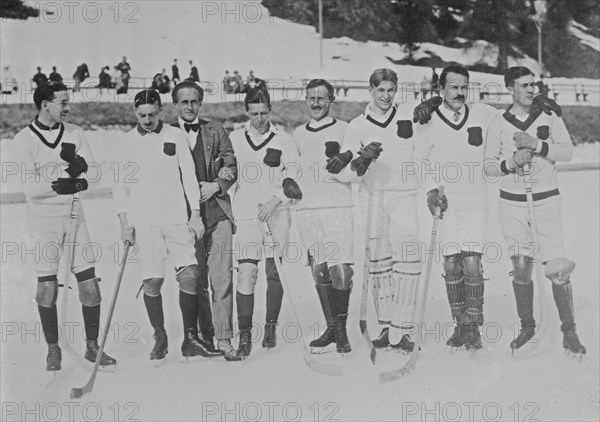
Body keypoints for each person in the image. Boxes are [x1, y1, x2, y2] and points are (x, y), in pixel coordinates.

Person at [11, 82, 116, 371]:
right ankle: (53, 348)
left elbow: (93, 170)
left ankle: (92, 347)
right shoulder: (23, 139)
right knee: (47, 289)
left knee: (91, 288)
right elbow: (29, 187)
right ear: (45, 104)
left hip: (74, 216)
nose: (67, 107)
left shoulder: (75, 133)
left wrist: (82, 180)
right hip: (43, 221)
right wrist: (61, 181)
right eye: (62, 102)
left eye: (68, 101)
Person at [113, 90, 222, 362]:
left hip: (175, 218)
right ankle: (160, 336)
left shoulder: (175, 135)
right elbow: (120, 188)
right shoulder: (126, 143)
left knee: (191, 275)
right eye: (142, 116)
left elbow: (188, 176)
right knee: (152, 281)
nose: (148, 120)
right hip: (144, 221)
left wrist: (195, 213)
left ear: (161, 111)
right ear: (135, 114)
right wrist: (124, 223)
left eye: (152, 114)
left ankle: (190, 338)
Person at [484, 66, 585, 356]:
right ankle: (527, 324)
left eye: (533, 85)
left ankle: (569, 331)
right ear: (510, 88)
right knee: (521, 265)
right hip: (512, 203)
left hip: (546, 200)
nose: (531, 90)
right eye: (524, 85)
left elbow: (566, 152)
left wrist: (537, 145)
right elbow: (489, 167)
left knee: (557, 268)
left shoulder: (549, 116)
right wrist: (511, 162)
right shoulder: (498, 123)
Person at [413, 65, 501, 351]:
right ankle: (460, 324)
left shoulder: (483, 114)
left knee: (472, 264)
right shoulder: (427, 121)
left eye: (464, 87)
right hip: (445, 203)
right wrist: (429, 192)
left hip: (475, 199)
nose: (460, 92)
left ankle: (473, 326)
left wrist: (537, 102)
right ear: (441, 90)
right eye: (453, 87)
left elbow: (511, 118)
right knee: (451, 264)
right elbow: (420, 162)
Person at [337, 68, 421, 353]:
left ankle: (404, 328)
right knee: (380, 264)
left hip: (404, 194)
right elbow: (343, 172)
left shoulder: (409, 115)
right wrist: (360, 162)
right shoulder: (357, 126)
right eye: (380, 90)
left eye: (390, 89)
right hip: (372, 196)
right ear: (370, 91)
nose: (386, 96)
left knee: (408, 259)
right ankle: (386, 326)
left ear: (396, 89)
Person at [228, 87, 301, 358]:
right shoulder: (235, 139)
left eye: (263, 112)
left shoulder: (284, 140)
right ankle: (245, 335)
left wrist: (276, 199)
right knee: (247, 273)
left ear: (270, 110)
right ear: (247, 112)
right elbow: (229, 176)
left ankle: (270, 327)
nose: (259, 118)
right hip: (247, 214)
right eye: (253, 113)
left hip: (277, 213)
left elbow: (294, 178)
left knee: (274, 272)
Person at [171, 81, 241, 361]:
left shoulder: (215, 130)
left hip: (218, 213)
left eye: (194, 101)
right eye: (184, 101)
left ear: (200, 103)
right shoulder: (168, 134)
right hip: (185, 218)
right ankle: (203, 336)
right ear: (175, 103)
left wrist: (216, 185)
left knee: (222, 277)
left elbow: (231, 164)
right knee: (194, 278)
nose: (189, 107)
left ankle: (224, 338)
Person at [292, 79, 353, 353]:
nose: (316, 103)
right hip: (307, 208)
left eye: (322, 98)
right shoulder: (297, 134)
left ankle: (341, 330)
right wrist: (287, 182)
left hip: (338, 207)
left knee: (341, 270)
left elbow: (355, 166)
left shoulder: (344, 130)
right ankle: (332, 328)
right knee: (319, 270)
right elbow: (290, 169)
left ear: (331, 100)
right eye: (311, 98)